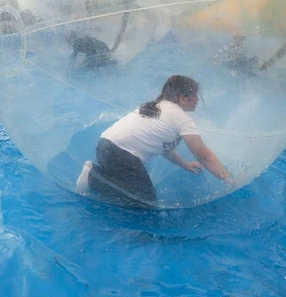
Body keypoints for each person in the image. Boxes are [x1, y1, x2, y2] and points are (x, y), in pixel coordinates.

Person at [76, 75, 235, 208]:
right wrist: (230, 180)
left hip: (105, 148)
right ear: (183, 98)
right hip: (120, 155)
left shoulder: (160, 106)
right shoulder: (181, 118)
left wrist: (185, 164)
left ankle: (99, 173)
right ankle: (92, 178)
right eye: (195, 95)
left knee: (138, 191)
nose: (197, 99)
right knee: (146, 202)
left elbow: (163, 146)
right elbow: (205, 156)